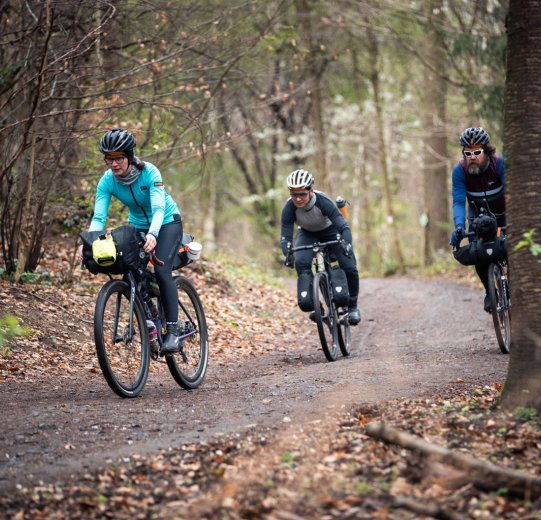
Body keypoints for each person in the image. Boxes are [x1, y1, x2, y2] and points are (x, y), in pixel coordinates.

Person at [80, 128, 184, 352]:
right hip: (137, 225)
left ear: (129, 156)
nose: (114, 164)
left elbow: (158, 209)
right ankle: (150, 321)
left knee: (161, 270)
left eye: (118, 158)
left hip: (166, 222)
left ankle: (173, 332)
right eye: (109, 159)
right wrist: (90, 241)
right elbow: (99, 217)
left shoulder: (150, 173)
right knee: (128, 267)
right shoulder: (107, 181)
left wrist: (153, 235)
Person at [280, 169, 361, 325]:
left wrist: (347, 245)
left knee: (349, 266)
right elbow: (285, 236)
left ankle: (352, 307)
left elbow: (343, 227)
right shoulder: (289, 208)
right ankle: (314, 306)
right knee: (301, 262)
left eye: (302, 194)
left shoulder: (323, 201)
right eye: (294, 194)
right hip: (307, 233)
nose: (298, 198)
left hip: (330, 231)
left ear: (311, 191)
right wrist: (288, 253)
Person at [450, 127, 505, 313]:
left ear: (487, 151)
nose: (472, 156)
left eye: (477, 152)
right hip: (478, 218)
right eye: (468, 153)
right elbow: (458, 202)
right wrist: (459, 227)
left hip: (503, 214)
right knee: (479, 255)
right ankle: (491, 292)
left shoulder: (499, 165)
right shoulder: (459, 172)